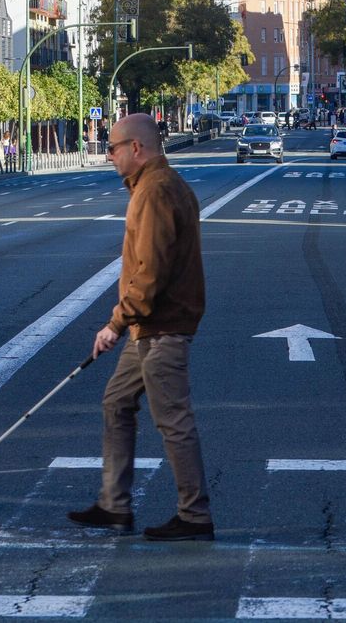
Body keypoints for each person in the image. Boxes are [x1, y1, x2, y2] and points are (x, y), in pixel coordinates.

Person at [68, 113, 214, 542]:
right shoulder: (160, 186)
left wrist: (115, 322)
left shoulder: (155, 192)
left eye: (112, 147)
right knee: (116, 402)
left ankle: (195, 514)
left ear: (137, 148)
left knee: (173, 420)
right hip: (148, 325)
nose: (108, 154)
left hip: (161, 325)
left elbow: (150, 271)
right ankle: (114, 506)